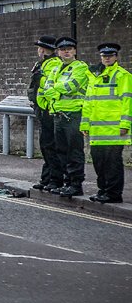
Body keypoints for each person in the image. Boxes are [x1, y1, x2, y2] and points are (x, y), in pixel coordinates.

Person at [41, 37, 91, 198]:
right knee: (61, 151)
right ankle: (66, 183)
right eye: (63, 49)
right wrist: (56, 89)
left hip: (73, 115)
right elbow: (46, 88)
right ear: (58, 52)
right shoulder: (56, 69)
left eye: (69, 48)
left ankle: (76, 184)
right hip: (58, 115)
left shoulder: (81, 67)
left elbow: (72, 86)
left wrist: (55, 89)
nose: (66, 51)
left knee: (74, 151)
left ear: (75, 51)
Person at [81, 43, 130, 204]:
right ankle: (103, 191)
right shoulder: (95, 76)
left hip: (114, 130)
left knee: (112, 164)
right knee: (99, 162)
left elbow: (127, 102)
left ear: (116, 57)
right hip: (97, 130)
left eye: (110, 55)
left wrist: (125, 124)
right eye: (104, 56)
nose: (107, 58)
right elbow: (88, 102)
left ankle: (114, 194)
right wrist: (84, 125)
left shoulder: (123, 75)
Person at [28, 35, 63, 191]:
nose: (38, 51)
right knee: (46, 145)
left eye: (39, 48)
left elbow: (48, 85)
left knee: (50, 145)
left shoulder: (53, 64)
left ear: (43, 50)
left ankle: (55, 180)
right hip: (42, 108)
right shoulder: (44, 63)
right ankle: (47, 178)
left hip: (48, 109)